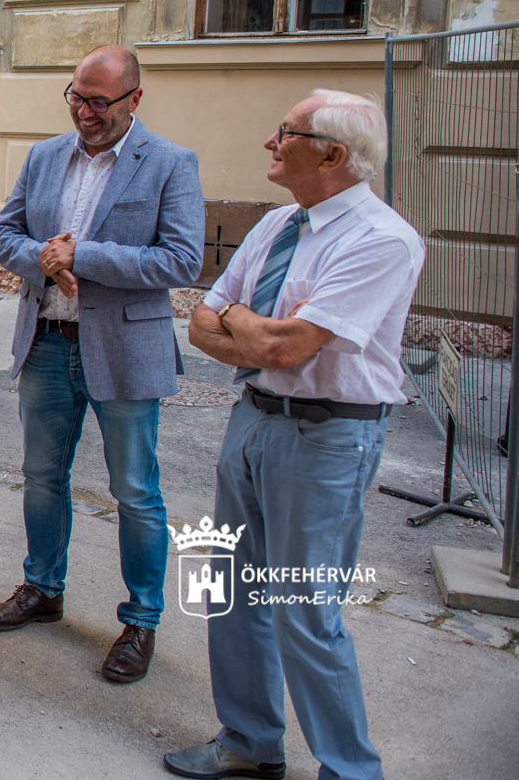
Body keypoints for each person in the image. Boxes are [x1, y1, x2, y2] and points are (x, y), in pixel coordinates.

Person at [166, 91, 420, 780]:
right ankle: (248, 741)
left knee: (304, 611)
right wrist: (259, 326)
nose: (271, 143)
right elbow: (201, 322)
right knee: (234, 590)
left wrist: (248, 323)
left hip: (327, 437)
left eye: (288, 133)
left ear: (334, 154)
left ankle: (349, 768)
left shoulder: (381, 239)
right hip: (253, 420)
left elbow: (285, 345)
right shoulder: (281, 222)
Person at [0, 45, 204, 683]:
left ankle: (141, 620)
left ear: (135, 99)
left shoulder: (168, 163)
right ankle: (41, 589)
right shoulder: (45, 155)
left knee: (136, 492)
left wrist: (84, 256)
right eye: (76, 97)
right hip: (48, 341)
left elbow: (181, 261)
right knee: (42, 477)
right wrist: (41, 260)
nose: (84, 111)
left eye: (99, 101)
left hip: (125, 350)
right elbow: (5, 234)